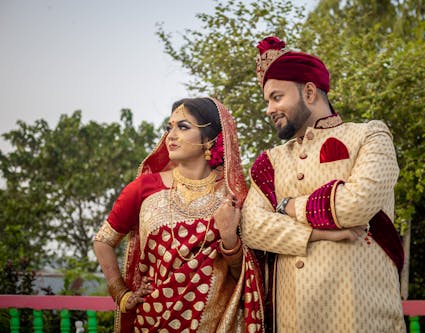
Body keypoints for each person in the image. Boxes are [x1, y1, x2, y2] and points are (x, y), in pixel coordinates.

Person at [240, 36, 406, 332]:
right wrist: (318, 233)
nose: (269, 109)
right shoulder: (271, 161)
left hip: (361, 317)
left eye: (277, 97)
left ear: (309, 91)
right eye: (267, 101)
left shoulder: (370, 136)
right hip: (294, 321)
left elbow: (355, 205)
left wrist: (288, 207)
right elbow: (252, 227)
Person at [93, 97, 265, 332]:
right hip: (153, 320)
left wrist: (229, 238)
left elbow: (244, 277)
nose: (170, 136)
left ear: (211, 138)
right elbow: (103, 241)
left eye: (183, 127)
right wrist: (122, 294)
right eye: (169, 127)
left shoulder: (233, 196)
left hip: (216, 324)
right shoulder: (145, 188)